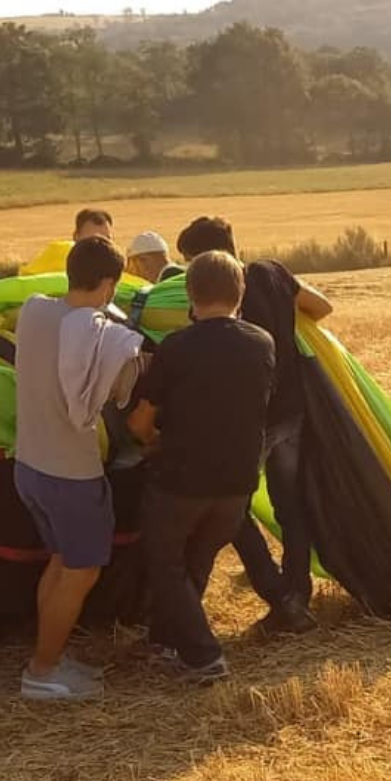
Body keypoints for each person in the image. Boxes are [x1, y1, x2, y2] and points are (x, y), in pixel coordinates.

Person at [172, 216, 329, 634]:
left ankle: (279, 597)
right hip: (291, 411)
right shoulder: (274, 272)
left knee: (233, 511)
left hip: (250, 420)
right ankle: (295, 594)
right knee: (292, 509)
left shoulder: (212, 300)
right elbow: (323, 307)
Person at [126, 251, 277, 683]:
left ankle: (203, 655)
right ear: (240, 292)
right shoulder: (262, 343)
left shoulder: (176, 347)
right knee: (197, 561)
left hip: (181, 479)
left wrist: (150, 442)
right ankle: (166, 641)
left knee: (166, 562)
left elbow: (140, 421)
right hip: (237, 482)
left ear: (189, 294)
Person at [12, 236, 146, 701]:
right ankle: (42, 671)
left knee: (60, 561)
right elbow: (120, 392)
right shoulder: (101, 336)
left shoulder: (33, 311)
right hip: (71, 473)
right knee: (81, 572)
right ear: (109, 284)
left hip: (29, 464)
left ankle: (49, 655)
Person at [19, 208, 117, 276]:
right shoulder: (58, 252)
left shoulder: (115, 265)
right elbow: (27, 278)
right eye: (92, 240)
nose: (100, 245)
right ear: (76, 237)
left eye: (106, 239)